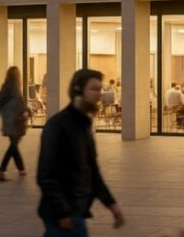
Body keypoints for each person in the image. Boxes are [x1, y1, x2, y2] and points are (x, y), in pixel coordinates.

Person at [37, 69, 124, 235]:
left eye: (100, 89)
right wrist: (62, 213)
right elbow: (45, 175)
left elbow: (92, 171)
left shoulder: (83, 125)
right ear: (78, 90)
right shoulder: (58, 125)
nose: (99, 94)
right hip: (62, 213)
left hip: (76, 210)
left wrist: (112, 205)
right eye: (94, 89)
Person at [0, 66, 29, 181]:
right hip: (15, 120)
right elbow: (20, 102)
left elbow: (0, 101)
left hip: (7, 119)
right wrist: (27, 111)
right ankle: (2, 170)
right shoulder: (15, 88)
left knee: (13, 144)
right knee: (13, 145)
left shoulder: (5, 87)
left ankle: (21, 168)